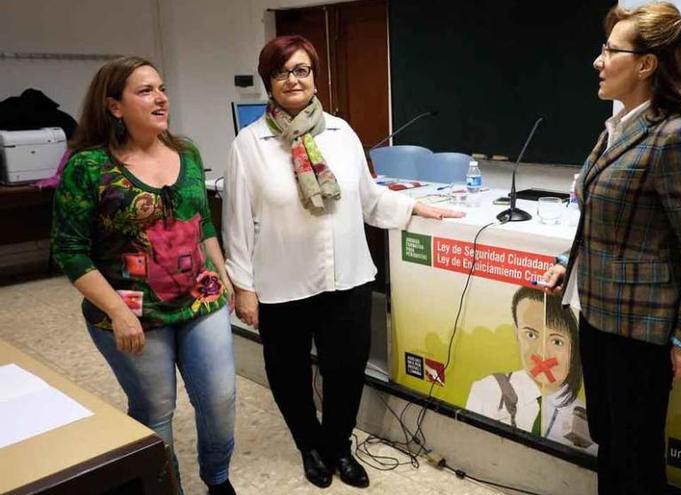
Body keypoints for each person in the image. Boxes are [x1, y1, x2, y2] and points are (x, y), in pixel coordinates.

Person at [222, 35, 463, 489]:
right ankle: (309, 446)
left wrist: (414, 207)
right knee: (289, 374)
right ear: (268, 82)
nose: (293, 79)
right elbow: (236, 223)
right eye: (282, 72)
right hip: (282, 282)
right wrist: (244, 287)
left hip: (347, 278)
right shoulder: (249, 145)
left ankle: (337, 445)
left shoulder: (340, 132)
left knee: (346, 370)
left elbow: (370, 201)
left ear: (314, 78)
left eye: (302, 70)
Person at [542, 3, 681, 494]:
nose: (598, 60)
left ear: (646, 64)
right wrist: (569, 262)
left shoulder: (677, 138)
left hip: (641, 329)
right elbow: (602, 220)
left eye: (610, 50)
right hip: (598, 315)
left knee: (637, 452)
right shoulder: (619, 129)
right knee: (609, 438)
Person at [51, 57, 237, 495]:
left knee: (220, 399)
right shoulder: (87, 167)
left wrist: (224, 276)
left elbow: (202, 223)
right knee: (155, 409)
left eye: (162, 88)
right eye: (146, 90)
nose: (161, 98)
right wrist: (116, 312)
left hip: (199, 300)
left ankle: (218, 480)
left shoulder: (186, 153)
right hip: (131, 312)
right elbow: (69, 250)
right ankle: (162, 486)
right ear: (114, 106)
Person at [466, 287, 592, 450]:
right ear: (516, 333)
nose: (542, 353)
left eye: (556, 341)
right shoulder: (487, 390)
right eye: (531, 335)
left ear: (574, 346)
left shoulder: (587, 419)